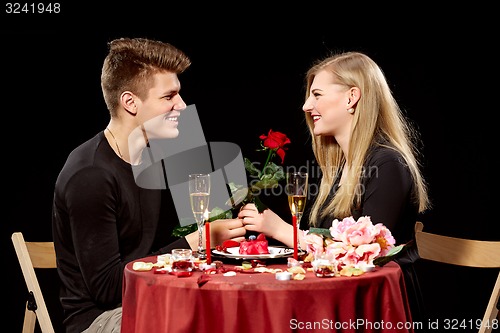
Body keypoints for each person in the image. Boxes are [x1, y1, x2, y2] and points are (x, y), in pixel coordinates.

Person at [52, 37, 246, 333]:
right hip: (101, 319)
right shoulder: (90, 174)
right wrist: (197, 242)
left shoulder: (150, 160)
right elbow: (107, 289)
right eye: (169, 97)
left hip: (152, 299)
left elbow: (147, 253)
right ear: (130, 102)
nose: (182, 105)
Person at [238, 51, 430, 323]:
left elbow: (365, 257)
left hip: (379, 309)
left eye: (317, 95)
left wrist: (284, 231)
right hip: (341, 300)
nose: (306, 105)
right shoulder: (341, 167)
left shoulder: (388, 163)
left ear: (352, 97)